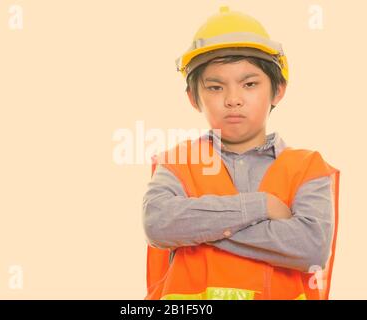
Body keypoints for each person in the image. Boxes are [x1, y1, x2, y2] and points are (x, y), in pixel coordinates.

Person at [142, 6, 340, 300]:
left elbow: (311, 247)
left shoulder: (308, 167)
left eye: (249, 84)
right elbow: (157, 223)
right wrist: (259, 207)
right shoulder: (178, 162)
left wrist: (197, 232)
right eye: (215, 87)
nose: (233, 99)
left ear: (278, 90)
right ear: (193, 98)